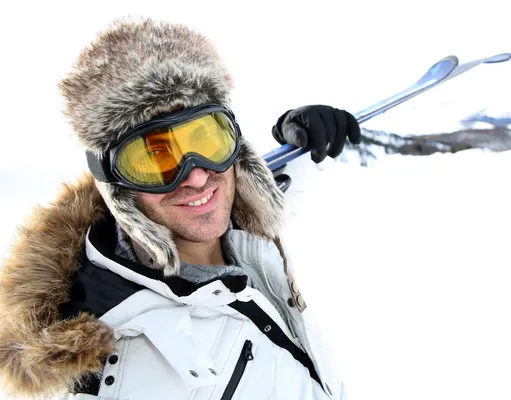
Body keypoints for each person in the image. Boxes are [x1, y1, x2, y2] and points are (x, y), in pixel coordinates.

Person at [0, 17, 361, 400]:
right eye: (154, 160)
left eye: (205, 138)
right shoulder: (114, 368)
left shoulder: (240, 220)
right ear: (117, 185)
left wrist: (300, 142)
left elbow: (272, 187)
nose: (196, 178)